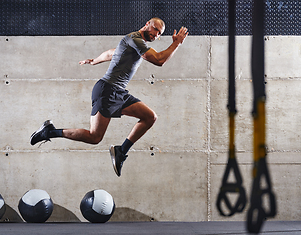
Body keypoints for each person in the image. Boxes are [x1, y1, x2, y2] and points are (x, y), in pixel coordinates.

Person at [30, 17, 188, 177]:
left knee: (150, 117)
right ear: (147, 24)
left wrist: (94, 61)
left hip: (117, 91)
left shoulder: (133, 43)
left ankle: (121, 151)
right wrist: (177, 43)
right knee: (94, 137)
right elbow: (159, 60)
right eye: (155, 29)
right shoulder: (135, 39)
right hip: (107, 90)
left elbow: (111, 53)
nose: (156, 35)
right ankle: (50, 132)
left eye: (159, 34)